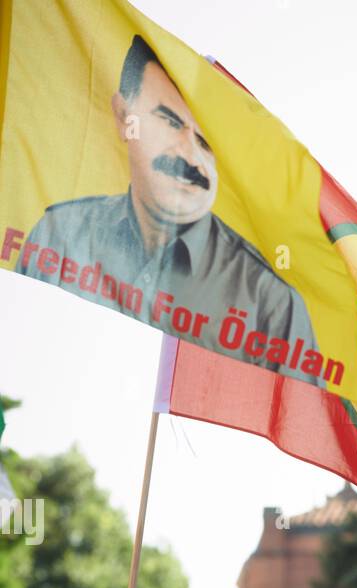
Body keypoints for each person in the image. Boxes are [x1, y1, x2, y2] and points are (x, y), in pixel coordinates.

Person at [15, 36, 315, 374]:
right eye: (171, 122)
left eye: (207, 142)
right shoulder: (60, 234)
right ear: (122, 116)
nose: (189, 156)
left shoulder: (271, 303)